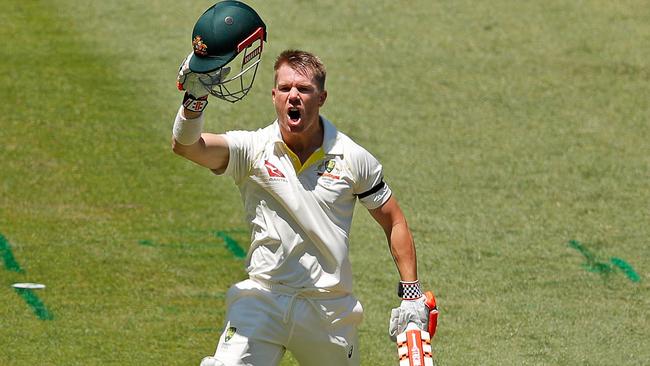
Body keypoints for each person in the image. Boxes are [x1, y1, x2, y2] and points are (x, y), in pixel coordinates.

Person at [172, 49, 430, 366]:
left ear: (321, 97)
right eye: (285, 89)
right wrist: (194, 100)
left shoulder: (352, 158)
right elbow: (187, 147)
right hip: (262, 299)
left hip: (328, 311)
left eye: (304, 89)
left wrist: (412, 291)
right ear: (273, 96)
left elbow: (394, 221)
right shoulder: (251, 149)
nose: (293, 96)